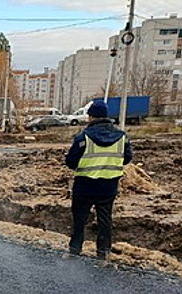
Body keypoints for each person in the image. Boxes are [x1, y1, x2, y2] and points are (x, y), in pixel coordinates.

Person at [64, 100, 132, 260]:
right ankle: (103, 251)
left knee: (79, 218)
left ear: (91, 116)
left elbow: (70, 161)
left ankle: (75, 249)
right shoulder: (121, 137)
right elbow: (127, 158)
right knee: (105, 219)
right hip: (108, 186)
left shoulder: (84, 137)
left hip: (84, 186)